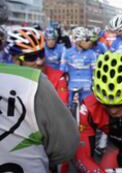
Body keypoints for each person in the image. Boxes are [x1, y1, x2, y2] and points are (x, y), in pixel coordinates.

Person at [1, 27, 79, 172]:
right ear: (14, 59)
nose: (39, 61)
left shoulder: (57, 76)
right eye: (31, 57)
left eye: (41, 54)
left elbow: (65, 140)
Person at [60, 26, 97, 105]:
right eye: (86, 40)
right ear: (78, 41)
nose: (89, 42)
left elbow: (95, 72)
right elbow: (62, 71)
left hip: (87, 89)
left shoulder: (92, 54)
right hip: (71, 88)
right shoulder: (67, 52)